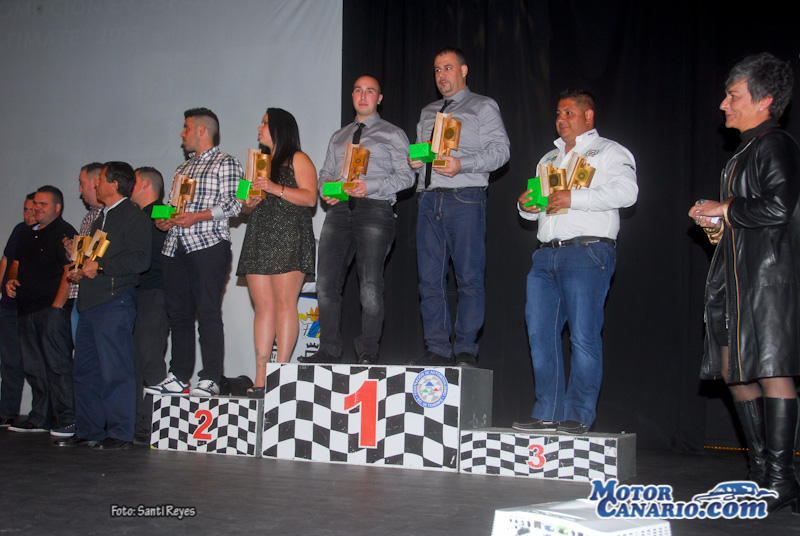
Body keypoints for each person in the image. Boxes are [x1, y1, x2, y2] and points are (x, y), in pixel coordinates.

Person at [689, 53, 800, 513]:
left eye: (733, 96)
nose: (723, 104)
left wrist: (726, 209)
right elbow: (748, 217)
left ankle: (781, 478)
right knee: (735, 372)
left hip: (767, 281)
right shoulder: (742, 154)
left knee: (772, 370)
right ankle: (760, 470)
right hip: (735, 279)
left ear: (764, 100)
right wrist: (718, 225)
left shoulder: (775, 144)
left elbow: (779, 207)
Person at [514, 89, 638, 435]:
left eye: (569, 112)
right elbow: (533, 209)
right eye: (558, 113)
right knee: (540, 335)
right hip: (545, 254)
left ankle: (579, 415)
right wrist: (526, 206)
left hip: (587, 251)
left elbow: (628, 193)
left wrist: (575, 197)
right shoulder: (549, 159)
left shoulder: (610, 151)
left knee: (583, 336)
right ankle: (547, 412)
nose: (561, 119)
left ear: (588, 116)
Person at [299, 75, 413, 365]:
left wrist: (369, 186)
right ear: (352, 96)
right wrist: (328, 189)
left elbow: (407, 176)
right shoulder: (338, 136)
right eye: (358, 90)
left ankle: (367, 351)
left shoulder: (392, 133)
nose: (363, 96)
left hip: (375, 209)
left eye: (370, 91)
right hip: (338, 212)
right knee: (325, 283)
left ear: (379, 98)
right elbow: (325, 173)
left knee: (370, 285)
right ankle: (329, 349)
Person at [408, 46, 510, 368]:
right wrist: (415, 162)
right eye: (437, 69)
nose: (441, 75)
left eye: (448, 68)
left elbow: (501, 151)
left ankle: (465, 347)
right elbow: (423, 156)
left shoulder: (482, 105)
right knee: (429, 280)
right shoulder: (427, 112)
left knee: (468, 277)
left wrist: (462, 164)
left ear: (463, 71)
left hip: (465, 197)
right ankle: (437, 347)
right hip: (428, 199)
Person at [145, 108, 243, 398]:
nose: (182, 133)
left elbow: (235, 204)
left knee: (208, 311)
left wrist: (197, 217)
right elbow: (174, 208)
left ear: (202, 130)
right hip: (175, 246)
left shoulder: (227, 162)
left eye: (186, 127)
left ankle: (210, 377)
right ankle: (178, 376)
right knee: (179, 315)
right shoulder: (182, 169)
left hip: (207, 244)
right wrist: (164, 219)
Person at [57, 162, 151, 449]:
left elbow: (141, 260)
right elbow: (92, 261)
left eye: (99, 179)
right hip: (89, 303)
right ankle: (89, 429)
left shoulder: (133, 217)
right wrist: (79, 267)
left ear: (114, 184)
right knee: (85, 371)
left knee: (115, 370)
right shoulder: (100, 218)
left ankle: (120, 433)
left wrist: (100, 267)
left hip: (114, 301)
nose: (95, 183)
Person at [236, 108, 316, 397]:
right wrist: (247, 204)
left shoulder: (298, 158)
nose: (259, 127)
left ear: (281, 127)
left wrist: (273, 187)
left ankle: (280, 374)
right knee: (263, 307)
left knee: (284, 304)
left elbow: (310, 197)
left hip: (289, 236)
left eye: (265, 123)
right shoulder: (256, 163)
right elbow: (242, 204)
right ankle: (260, 379)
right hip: (259, 235)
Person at [6, 186, 77, 435]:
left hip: (51, 310)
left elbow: (70, 270)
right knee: (34, 368)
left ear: (57, 207)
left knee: (58, 366)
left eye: (42, 204)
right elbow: (15, 264)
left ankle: (68, 418)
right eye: (35, 204)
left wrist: (57, 308)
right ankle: (40, 418)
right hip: (26, 309)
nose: (36, 208)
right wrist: (12, 279)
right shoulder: (27, 233)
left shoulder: (63, 233)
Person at [129, 166, 169, 443]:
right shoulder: (134, 217)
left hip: (156, 293)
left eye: (130, 181)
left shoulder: (163, 211)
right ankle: (136, 423)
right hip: (136, 295)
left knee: (151, 360)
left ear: (145, 184)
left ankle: (153, 425)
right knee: (134, 362)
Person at [0, 193, 37, 427]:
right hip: (9, 306)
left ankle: (42, 414)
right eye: (26, 209)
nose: (29, 214)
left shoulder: (48, 233)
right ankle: (7, 410)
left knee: (35, 363)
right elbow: (6, 260)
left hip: (32, 307)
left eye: (34, 209)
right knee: (9, 361)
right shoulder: (19, 230)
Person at [67, 163, 104, 341]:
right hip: (79, 293)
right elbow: (84, 255)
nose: (80, 189)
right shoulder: (89, 217)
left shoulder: (113, 215)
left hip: (99, 294)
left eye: (82, 183)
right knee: (82, 349)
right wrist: (73, 252)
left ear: (96, 182)